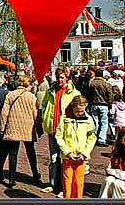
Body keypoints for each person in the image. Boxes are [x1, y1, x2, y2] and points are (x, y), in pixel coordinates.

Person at [39, 66, 81, 197]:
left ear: (67, 78)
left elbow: (79, 111)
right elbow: (44, 104)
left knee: (65, 159)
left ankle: (64, 186)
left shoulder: (74, 93)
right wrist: (45, 118)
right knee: (53, 158)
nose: (59, 80)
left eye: (62, 77)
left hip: (66, 131)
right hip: (53, 128)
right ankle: (53, 184)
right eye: (58, 77)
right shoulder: (51, 91)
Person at [0, 75, 41, 188]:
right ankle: (35, 174)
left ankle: (11, 179)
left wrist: (2, 128)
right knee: (31, 152)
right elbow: (36, 115)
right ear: (28, 84)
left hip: (13, 127)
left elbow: (4, 113)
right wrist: (39, 128)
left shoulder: (10, 95)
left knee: (13, 153)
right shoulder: (31, 97)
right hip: (28, 128)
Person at [55, 95, 97, 198]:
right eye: (77, 111)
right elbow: (59, 136)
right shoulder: (64, 119)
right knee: (67, 182)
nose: (80, 113)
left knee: (78, 183)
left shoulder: (89, 120)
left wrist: (85, 153)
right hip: (67, 156)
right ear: (72, 107)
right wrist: (67, 152)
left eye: (82, 111)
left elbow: (92, 138)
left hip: (81, 156)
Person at [88, 69, 113, 147]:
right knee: (104, 122)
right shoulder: (106, 83)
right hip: (103, 104)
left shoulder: (91, 83)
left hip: (93, 104)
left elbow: (88, 93)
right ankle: (101, 139)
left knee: (95, 122)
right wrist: (110, 104)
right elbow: (110, 95)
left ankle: (94, 138)